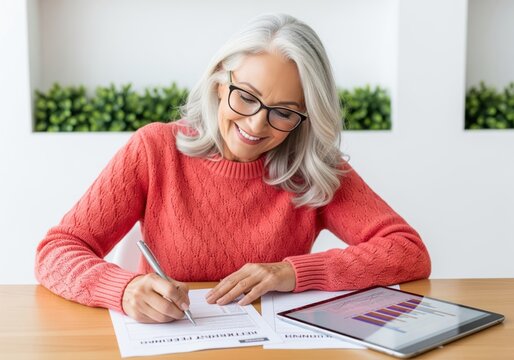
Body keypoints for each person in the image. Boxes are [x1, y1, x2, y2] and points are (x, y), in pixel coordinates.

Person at [35, 13, 431, 324]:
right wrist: (123, 290)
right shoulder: (155, 150)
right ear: (220, 83)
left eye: (284, 113)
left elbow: (409, 253)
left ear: (306, 117)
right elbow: (55, 252)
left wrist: (294, 273)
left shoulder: (311, 169)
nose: (257, 125)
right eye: (247, 97)